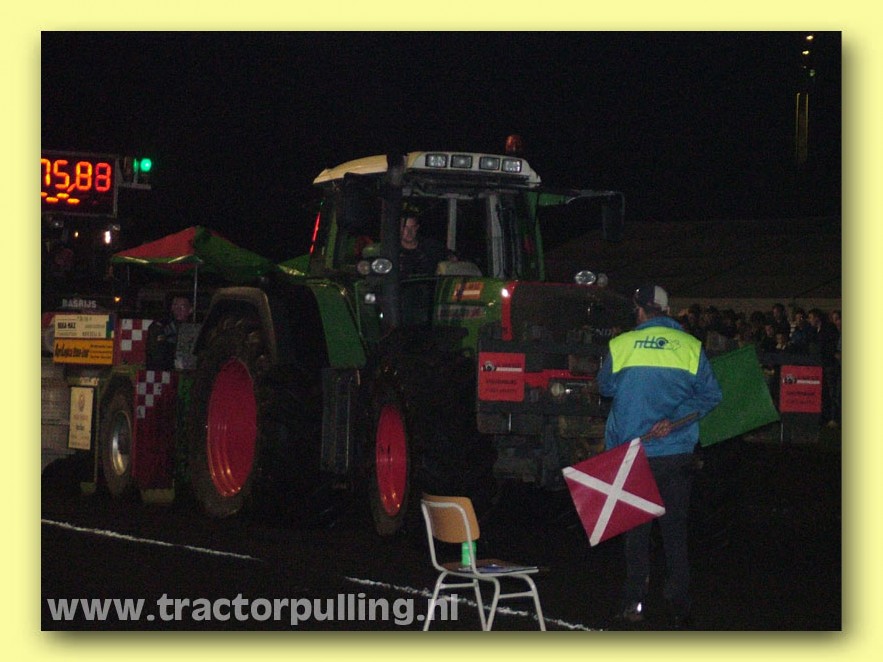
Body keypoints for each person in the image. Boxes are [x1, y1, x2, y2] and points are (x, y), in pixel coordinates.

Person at [598, 285, 723, 629]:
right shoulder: (690, 346)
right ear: (667, 310)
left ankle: (634, 603)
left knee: (636, 534)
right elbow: (711, 395)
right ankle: (680, 606)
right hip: (676, 455)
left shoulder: (621, 345)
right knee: (674, 532)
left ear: (639, 310)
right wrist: (676, 418)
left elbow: (605, 387)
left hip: (634, 453)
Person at [146, 295, 193, 370]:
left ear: (190, 310)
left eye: (182, 306)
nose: (178, 309)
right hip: (164, 369)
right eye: (175, 305)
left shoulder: (193, 327)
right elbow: (156, 353)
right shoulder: (162, 325)